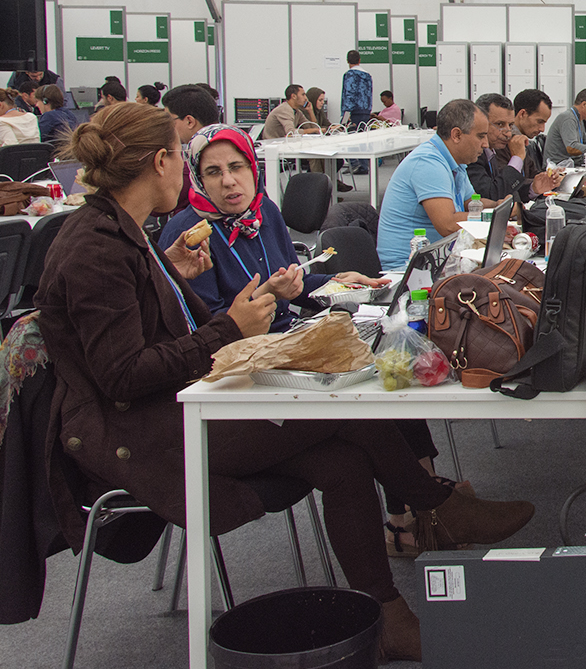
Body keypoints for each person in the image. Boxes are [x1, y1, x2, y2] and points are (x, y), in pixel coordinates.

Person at [36, 102, 536, 662]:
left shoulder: (119, 234)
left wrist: (170, 274)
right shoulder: (95, 249)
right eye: (188, 159)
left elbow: (136, 327)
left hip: (174, 406)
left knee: (343, 461)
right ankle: (435, 506)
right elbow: (121, 375)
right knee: (341, 417)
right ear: (162, 161)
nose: (202, 174)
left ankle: (393, 610)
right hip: (141, 435)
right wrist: (228, 327)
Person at [161, 122, 389, 330]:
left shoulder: (264, 211)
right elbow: (206, 329)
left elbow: (293, 285)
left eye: (236, 167)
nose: (228, 180)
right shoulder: (188, 235)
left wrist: (336, 283)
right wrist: (268, 292)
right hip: (238, 354)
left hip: (285, 333)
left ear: (252, 167)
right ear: (199, 179)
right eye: (213, 172)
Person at [376, 99, 489, 270]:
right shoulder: (427, 162)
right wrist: (492, 218)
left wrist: (504, 207)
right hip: (408, 270)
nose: (485, 144)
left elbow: (471, 205)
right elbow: (448, 224)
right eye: (481, 136)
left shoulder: (454, 162)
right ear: (456, 135)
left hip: (438, 263)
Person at [470, 94, 562, 205]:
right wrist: (517, 157)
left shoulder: (492, 150)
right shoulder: (473, 155)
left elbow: (509, 188)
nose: (508, 132)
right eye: (500, 124)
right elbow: (494, 193)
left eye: (510, 125)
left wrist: (534, 188)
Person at [342, 50, 374, 128]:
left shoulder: (349, 74)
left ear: (347, 61)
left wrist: (345, 116)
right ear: (359, 60)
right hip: (366, 111)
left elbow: (349, 94)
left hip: (354, 112)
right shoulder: (367, 75)